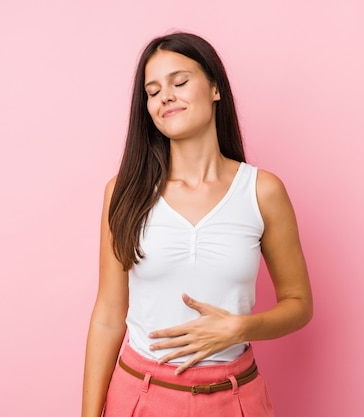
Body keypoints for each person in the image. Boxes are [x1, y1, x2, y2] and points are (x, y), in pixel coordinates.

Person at [81, 32, 313, 417]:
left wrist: (240, 328)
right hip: (140, 396)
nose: (165, 96)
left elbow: (300, 304)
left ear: (215, 88)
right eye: (153, 91)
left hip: (235, 398)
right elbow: (108, 315)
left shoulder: (262, 191)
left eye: (180, 82)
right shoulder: (123, 192)